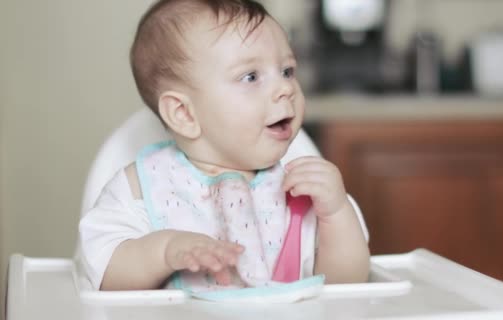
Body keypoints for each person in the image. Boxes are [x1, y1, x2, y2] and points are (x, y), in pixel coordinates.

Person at [79, 0, 370, 293]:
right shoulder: (142, 188)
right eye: (251, 76)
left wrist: (335, 212)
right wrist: (165, 251)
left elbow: (347, 288)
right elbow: (103, 275)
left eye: (287, 71)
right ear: (184, 114)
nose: (286, 89)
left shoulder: (302, 190)